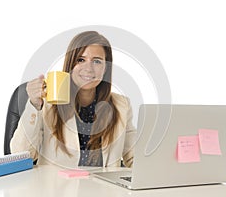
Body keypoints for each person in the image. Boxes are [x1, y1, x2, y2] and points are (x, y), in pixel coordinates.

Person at [10, 31, 136, 168]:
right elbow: (21, 157)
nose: (88, 68)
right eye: (80, 60)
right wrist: (34, 106)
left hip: (104, 188)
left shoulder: (121, 105)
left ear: (106, 68)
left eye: (97, 61)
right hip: (56, 187)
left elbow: (135, 158)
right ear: (70, 64)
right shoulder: (47, 104)